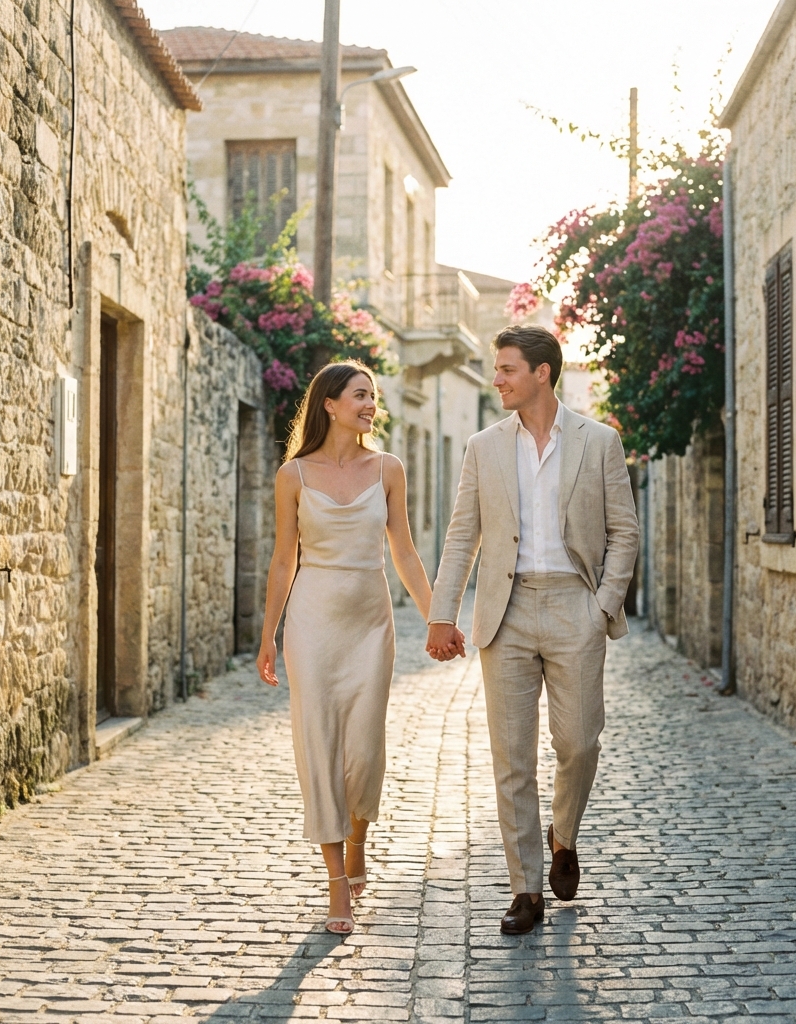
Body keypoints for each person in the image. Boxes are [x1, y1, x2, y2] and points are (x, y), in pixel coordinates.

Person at [426, 324, 639, 935]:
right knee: (512, 757)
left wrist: (601, 606)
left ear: (542, 373)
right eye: (497, 369)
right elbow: (462, 534)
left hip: (576, 606)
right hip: (507, 610)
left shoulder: (599, 441)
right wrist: (443, 612)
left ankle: (563, 834)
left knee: (579, 743)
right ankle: (525, 890)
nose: (496, 379)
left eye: (507, 369)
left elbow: (624, 532)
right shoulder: (484, 446)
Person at [256, 360, 440, 935]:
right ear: (329, 405)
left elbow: (404, 551)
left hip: (370, 625)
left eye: (372, 396)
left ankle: (358, 837)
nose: (370, 405)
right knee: (320, 745)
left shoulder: (388, 468)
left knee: (363, 750)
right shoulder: (293, 475)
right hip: (311, 624)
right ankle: (337, 883)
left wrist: (437, 618)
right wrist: (268, 635)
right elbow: (283, 560)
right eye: (360, 395)